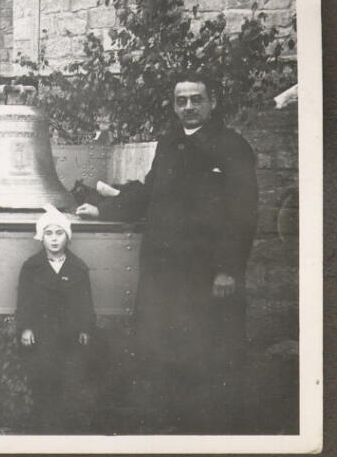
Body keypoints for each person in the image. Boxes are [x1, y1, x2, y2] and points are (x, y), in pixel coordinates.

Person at [76, 75, 258, 431]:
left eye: (196, 99)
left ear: (211, 102)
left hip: (205, 274)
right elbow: (148, 191)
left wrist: (227, 269)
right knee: (163, 348)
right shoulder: (169, 143)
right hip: (163, 271)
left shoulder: (232, 146)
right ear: (174, 105)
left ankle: (210, 431)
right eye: (181, 101)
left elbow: (243, 213)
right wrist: (104, 210)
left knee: (206, 351)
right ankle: (168, 426)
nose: (188, 107)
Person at [15, 206, 97, 431]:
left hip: (69, 334)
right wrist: (25, 328)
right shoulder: (32, 267)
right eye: (48, 233)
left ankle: (68, 428)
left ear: (67, 237)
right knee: (42, 378)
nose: (54, 239)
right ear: (41, 237)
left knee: (70, 379)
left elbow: (85, 302)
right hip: (42, 334)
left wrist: (85, 329)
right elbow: (24, 301)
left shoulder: (78, 268)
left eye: (59, 233)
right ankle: (43, 426)